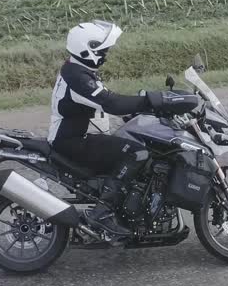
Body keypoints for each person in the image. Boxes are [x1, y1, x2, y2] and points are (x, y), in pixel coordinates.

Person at [47, 20, 158, 239]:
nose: (106, 54)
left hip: (74, 137)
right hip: (72, 142)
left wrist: (134, 111)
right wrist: (152, 101)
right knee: (138, 152)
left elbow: (102, 101)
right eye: (103, 50)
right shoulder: (78, 78)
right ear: (88, 49)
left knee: (129, 141)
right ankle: (103, 212)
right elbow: (111, 103)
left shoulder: (77, 69)